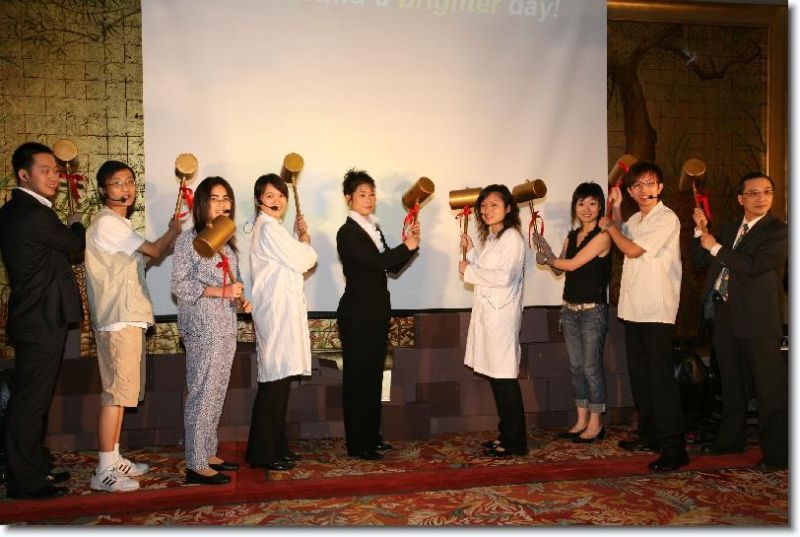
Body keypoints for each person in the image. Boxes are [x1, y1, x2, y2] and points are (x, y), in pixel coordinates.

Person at [84, 160, 182, 492]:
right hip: (118, 319)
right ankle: (103, 470)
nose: (125, 188)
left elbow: (147, 258)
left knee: (123, 393)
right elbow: (154, 248)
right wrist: (173, 231)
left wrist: (169, 237)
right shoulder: (108, 223)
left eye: (129, 182)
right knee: (115, 395)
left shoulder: (119, 226)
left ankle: (113, 457)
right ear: (103, 190)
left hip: (126, 317)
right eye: (117, 183)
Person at [0, 142, 84, 499]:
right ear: (24, 174)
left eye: (56, 170)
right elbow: (73, 245)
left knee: (32, 400)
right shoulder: (34, 213)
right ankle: (25, 481)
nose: (54, 177)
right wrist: (77, 225)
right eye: (45, 170)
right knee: (30, 403)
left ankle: (34, 468)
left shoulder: (14, 209)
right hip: (40, 319)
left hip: (34, 317)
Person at [693, 172, 787, 470]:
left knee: (768, 389)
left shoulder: (779, 230)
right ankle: (730, 441)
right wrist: (700, 230)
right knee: (731, 384)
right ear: (740, 198)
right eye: (754, 193)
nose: (762, 198)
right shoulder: (730, 227)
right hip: (725, 314)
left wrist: (715, 247)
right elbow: (701, 261)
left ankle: (778, 454)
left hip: (759, 319)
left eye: (767, 192)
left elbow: (753, 265)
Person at [598, 161, 686, 471]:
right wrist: (616, 210)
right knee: (641, 378)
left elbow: (632, 249)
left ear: (660, 187)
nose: (644, 190)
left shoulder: (666, 218)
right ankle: (650, 436)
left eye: (650, 184)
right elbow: (624, 235)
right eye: (637, 185)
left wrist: (610, 226)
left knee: (660, 381)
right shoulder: (636, 218)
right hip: (634, 308)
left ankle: (674, 448)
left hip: (657, 310)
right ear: (631, 191)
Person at [171, 176, 251, 485]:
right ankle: (195, 463)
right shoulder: (188, 240)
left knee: (216, 390)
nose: (222, 204)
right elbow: (179, 285)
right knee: (202, 391)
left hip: (225, 325)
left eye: (226, 198)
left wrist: (241, 298)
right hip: (202, 324)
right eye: (215, 198)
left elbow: (233, 284)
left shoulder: (227, 242)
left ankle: (207, 452)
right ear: (203, 203)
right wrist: (221, 291)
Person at [336, 168, 420, 461]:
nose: (369, 199)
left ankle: (372, 437)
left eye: (372, 194)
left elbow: (392, 267)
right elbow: (376, 262)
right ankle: (358, 444)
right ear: (349, 198)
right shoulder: (347, 233)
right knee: (358, 381)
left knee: (373, 379)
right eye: (362, 194)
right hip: (357, 315)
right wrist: (405, 247)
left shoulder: (373, 228)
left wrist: (410, 245)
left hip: (376, 313)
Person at [246, 174, 317, 472]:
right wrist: (305, 239)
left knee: (281, 381)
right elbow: (305, 261)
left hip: (281, 313)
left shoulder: (274, 229)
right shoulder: (268, 229)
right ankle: (263, 452)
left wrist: (299, 239)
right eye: (269, 196)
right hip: (276, 315)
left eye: (281, 195)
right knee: (274, 382)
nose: (277, 201)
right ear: (259, 201)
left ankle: (276, 446)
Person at [533, 182, 612, 443]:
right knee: (576, 368)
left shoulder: (603, 236)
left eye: (592, 203)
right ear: (574, 207)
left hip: (592, 313)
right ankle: (581, 420)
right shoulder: (571, 235)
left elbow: (574, 264)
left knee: (591, 368)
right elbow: (560, 269)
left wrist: (550, 259)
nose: (586, 209)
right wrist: (545, 249)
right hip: (569, 311)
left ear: (600, 206)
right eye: (581, 203)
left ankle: (596, 424)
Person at [460, 184, 527, 457]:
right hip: (490, 316)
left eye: (494, 205)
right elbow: (487, 269)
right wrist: (472, 252)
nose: (487, 210)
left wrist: (469, 271)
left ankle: (515, 442)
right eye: (484, 206)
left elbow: (503, 277)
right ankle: (506, 435)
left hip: (502, 317)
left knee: (504, 379)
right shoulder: (493, 237)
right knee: (498, 379)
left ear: (508, 208)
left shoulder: (512, 238)